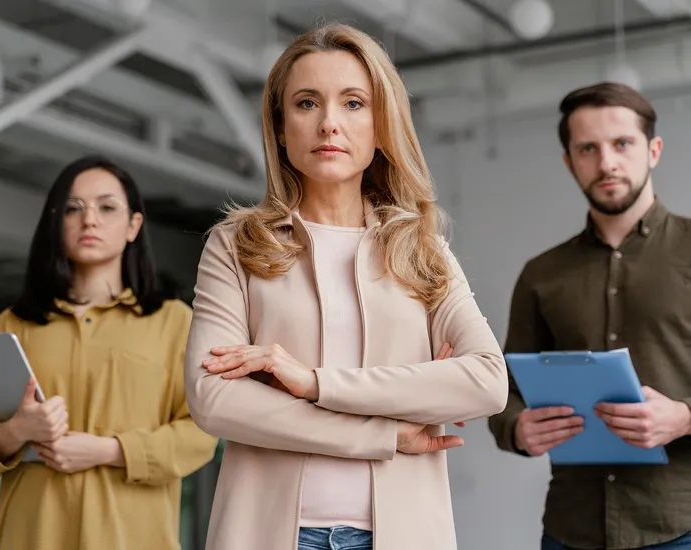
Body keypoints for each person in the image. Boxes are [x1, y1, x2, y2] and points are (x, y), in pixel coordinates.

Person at [183, 23, 508, 550]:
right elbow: (213, 399)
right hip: (268, 535)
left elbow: (488, 381)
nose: (330, 123)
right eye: (307, 103)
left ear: (380, 124)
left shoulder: (422, 249)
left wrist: (312, 382)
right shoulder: (235, 246)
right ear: (281, 128)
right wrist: (389, 424)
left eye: (354, 103)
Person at [488, 82, 691, 550]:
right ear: (569, 162)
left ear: (653, 149)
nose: (606, 163)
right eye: (587, 149)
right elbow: (506, 392)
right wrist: (517, 428)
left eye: (622, 144)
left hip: (679, 526)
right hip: (570, 528)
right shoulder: (541, 275)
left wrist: (683, 417)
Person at [0, 155, 217, 549]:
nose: (89, 219)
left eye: (107, 207)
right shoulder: (9, 327)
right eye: (73, 208)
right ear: (55, 221)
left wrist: (110, 450)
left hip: (133, 538)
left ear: (134, 226)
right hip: (29, 537)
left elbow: (201, 435)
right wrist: (14, 434)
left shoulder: (175, 323)